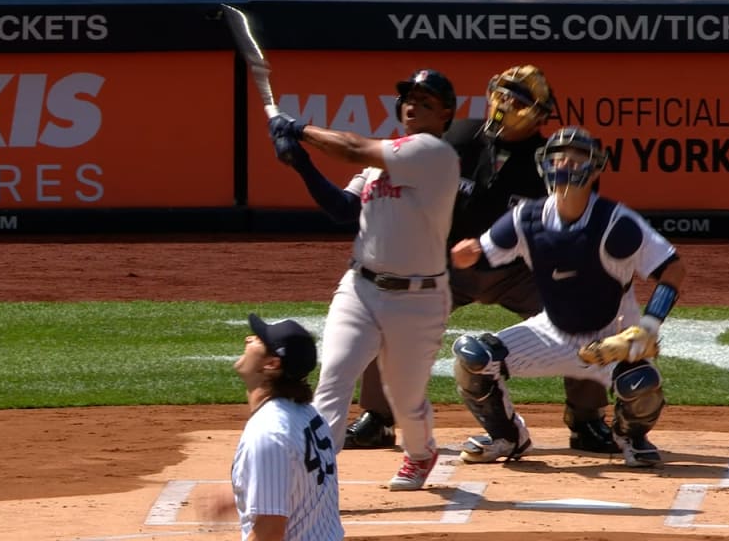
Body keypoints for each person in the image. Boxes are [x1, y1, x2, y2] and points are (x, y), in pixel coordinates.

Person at [346, 65, 620, 456]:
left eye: (519, 100)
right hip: (446, 266)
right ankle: (377, 417)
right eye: (502, 94)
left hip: (520, 271)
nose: (506, 105)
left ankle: (587, 419)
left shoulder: (554, 160)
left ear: (540, 113)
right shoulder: (455, 138)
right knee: (385, 306)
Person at [268, 68, 460, 491]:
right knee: (333, 379)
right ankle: (311, 479)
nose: (413, 104)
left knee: (405, 401)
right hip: (361, 288)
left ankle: (421, 452)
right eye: (410, 97)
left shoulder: (434, 155)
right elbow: (342, 209)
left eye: (426, 102)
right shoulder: (380, 163)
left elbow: (353, 147)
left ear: (445, 115)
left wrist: (299, 130)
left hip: (418, 300)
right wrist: (301, 164)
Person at [448, 126, 686, 467]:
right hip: (553, 333)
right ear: (545, 165)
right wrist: (469, 254)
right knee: (473, 357)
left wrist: (648, 327)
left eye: (576, 159)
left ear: (595, 168)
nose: (566, 165)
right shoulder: (526, 217)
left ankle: (629, 436)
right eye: (559, 158)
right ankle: (507, 437)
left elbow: (673, 270)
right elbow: (485, 253)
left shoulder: (615, 223)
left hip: (611, 338)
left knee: (641, 384)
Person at [197, 314, 344, 541]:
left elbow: (269, 534)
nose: (248, 339)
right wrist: (249, 491)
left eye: (258, 340)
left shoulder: (269, 432)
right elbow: (299, 481)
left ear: (272, 364)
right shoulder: (309, 416)